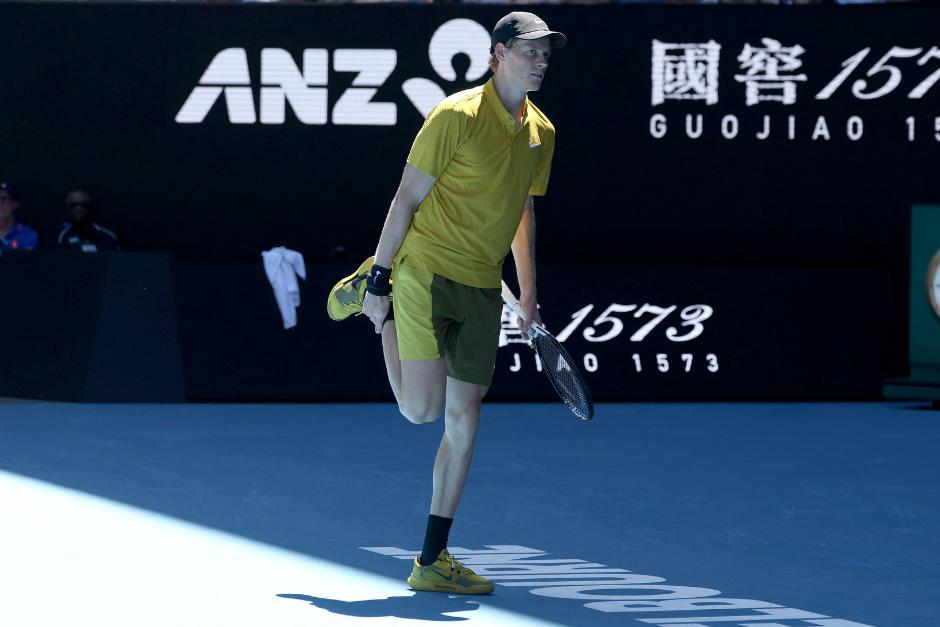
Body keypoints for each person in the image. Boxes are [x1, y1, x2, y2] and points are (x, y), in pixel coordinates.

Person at [326, 12, 565, 595]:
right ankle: (376, 303)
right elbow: (407, 196)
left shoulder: (542, 132)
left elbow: (523, 212)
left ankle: (431, 559)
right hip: (425, 270)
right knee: (421, 411)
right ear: (498, 54)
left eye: (546, 52)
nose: (540, 60)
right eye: (530, 50)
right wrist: (381, 277)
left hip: (482, 286)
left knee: (466, 417)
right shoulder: (454, 116)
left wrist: (528, 293)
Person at [54, 189, 120, 252]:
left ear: (90, 207)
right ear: (67, 209)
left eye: (83, 205)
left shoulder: (108, 236)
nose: (78, 209)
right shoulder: (59, 236)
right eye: (74, 205)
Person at [0, 182, 39, 252]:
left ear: (15, 204)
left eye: (4, 199)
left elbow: (27, 258)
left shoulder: (26, 234)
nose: (0, 203)